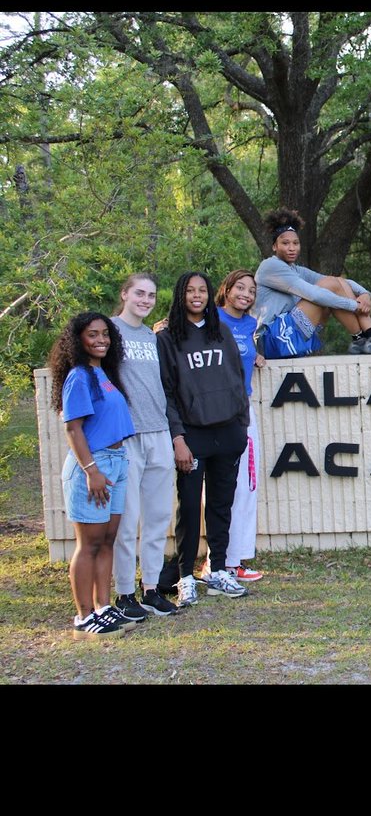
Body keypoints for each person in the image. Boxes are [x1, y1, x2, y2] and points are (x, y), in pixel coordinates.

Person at [155, 271, 250, 606]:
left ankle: (218, 570)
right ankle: (184, 577)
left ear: (211, 296)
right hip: (192, 435)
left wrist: (242, 425)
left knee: (222, 505)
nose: (197, 296)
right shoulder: (167, 338)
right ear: (181, 295)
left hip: (227, 432)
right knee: (190, 507)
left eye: (203, 291)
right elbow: (166, 391)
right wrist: (178, 438)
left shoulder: (220, 330)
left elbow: (238, 380)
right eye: (190, 291)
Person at [49, 313, 138, 638]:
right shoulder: (79, 376)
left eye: (105, 334)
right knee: (89, 544)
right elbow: (73, 427)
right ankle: (84, 615)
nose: (101, 340)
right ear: (78, 340)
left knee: (107, 539)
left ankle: (103, 606)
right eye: (92, 335)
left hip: (116, 462)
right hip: (93, 466)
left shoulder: (104, 372)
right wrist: (92, 471)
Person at [109, 274, 180, 620]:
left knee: (157, 518)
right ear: (124, 294)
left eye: (151, 294)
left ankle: (150, 589)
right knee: (127, 520)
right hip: (127, 436)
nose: (145, 299)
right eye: (139, 293)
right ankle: (124, 593)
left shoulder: (153, 337)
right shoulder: (108, 330)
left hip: (159, 432)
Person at [255, 207, 371, 358]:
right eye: (285, 243)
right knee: (329, 288)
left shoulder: (296, 270)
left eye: (295, 243)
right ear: (275, 246)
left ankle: (368, 338)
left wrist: (364, 294)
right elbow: (314, 295)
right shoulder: (270, 266)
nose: (291, 248)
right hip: (271, 340)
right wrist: (355, 306)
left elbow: (340, 282)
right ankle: (369, 336)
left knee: (336, 281)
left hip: (287, 335)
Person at [199, 269, 265, 583]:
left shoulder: (251, 325)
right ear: (226, 290)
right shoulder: (210, 318)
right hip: (215, 412)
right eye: (240, 288)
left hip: (243, 408)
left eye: (251, 291)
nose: (246, 294)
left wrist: (258, 356)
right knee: (220, 486)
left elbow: (243, 354)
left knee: (246, 484)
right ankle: (217, 562)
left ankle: (233, 560)